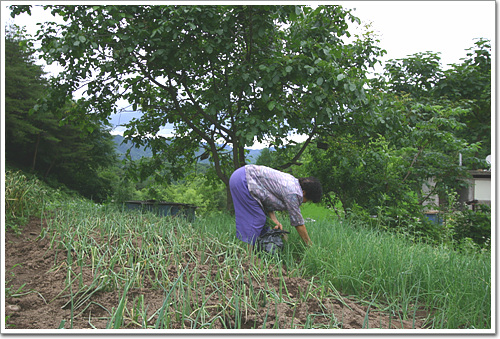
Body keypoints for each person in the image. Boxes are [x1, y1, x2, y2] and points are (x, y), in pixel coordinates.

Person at [229, 164, 323, 249]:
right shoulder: (294, 193)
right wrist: (310, 246)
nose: (305, 202)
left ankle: (261, 251)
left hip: (242, 176)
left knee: (265, 223)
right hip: (243, 180)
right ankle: (249, 257)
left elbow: (268, 197)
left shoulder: (293, 183)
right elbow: (298, 223)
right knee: (257, 219)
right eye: (308, 200)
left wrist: (273, 218)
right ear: (304, 192)